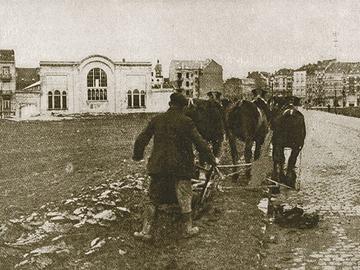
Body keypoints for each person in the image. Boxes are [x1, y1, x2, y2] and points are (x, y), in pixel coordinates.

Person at [132, 93, 217, 240]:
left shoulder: (157, 119)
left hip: (159, 166)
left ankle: (146, 231)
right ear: (183, 106)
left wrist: (138, 155)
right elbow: (200, 143)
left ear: (170, 104)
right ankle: (188, 229)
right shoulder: (187, 121)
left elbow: (141, 139)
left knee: (153, 198)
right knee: (184, 195)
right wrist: (212, 160)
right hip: (181, 167)